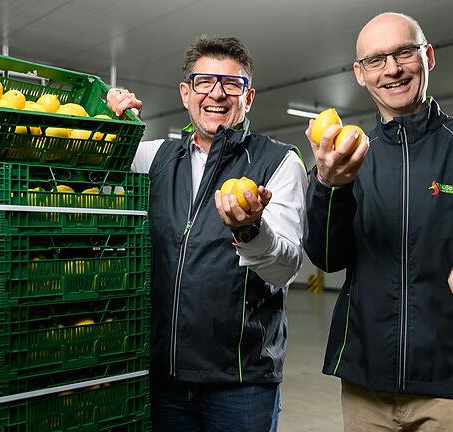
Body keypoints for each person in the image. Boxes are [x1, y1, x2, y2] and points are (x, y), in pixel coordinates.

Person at [303, 12, 453, 431]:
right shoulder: (347, 157)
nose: (393, 69)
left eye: (404, 52)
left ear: (428, 56)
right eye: (376, 60)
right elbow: (327, 256)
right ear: (360, 74)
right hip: (367, 386)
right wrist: (329, 185)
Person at [107, 35, 308, 431]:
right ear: (186, 93)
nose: (217, 93)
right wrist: (113, 120)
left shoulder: (279, 162)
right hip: (165, 377)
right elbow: (91, 175)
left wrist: (250, 230)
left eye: (232, 84)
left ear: (248, 98)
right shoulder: (154, 158)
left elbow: (286, 267)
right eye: (204, 82)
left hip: (241, 382)